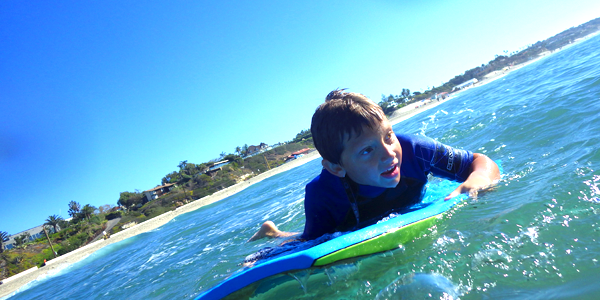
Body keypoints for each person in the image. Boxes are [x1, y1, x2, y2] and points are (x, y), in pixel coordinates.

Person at [248, 89, 499, 243]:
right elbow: (314, 247)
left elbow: (482, 163)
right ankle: (272, 232)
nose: (389, 153)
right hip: (349, 226)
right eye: (367, 150)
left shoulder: (416, 150)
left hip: (406, 207)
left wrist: (477, 181)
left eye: (388, 136)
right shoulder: (323, 193)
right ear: (336, 167)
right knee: (302, 240)